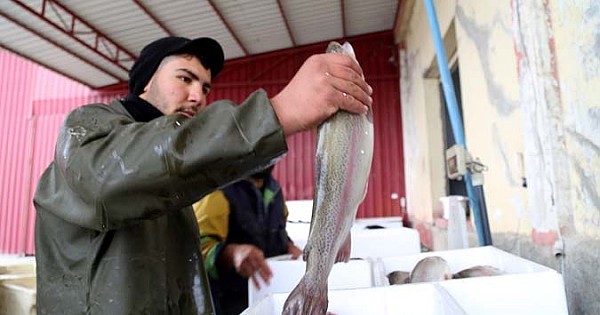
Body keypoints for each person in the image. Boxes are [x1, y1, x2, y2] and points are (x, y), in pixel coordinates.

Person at [33, 35, 372, 315]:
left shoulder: (176, 182)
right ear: (147, 80)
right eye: (185, 78)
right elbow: (111, 178)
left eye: (206, 88)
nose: (198, 96)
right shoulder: (89, 131)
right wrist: (279, 112)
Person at [193, 164, 302, 315]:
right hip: (226, 306)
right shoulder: (216, 190)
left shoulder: (274, 190)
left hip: (266, 303)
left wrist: (289, 247)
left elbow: (278, 231)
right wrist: (232, 253)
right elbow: (194, 252)